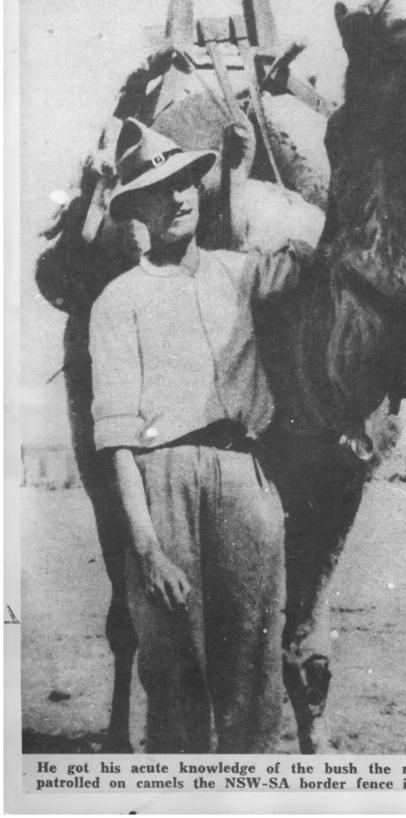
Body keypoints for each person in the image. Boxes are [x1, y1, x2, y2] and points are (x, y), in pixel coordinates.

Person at [89, 117, 313, 753]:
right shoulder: (118, 301)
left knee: (254, 683)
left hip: (246, 479)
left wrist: (249, 175)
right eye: (162, 188)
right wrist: (148, 549)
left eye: (188, 181)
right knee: (175, 685)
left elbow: (309, 260)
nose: (181, 195)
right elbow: (118, 443)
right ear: (137, 208)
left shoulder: (239, 273)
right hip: (163, 488)